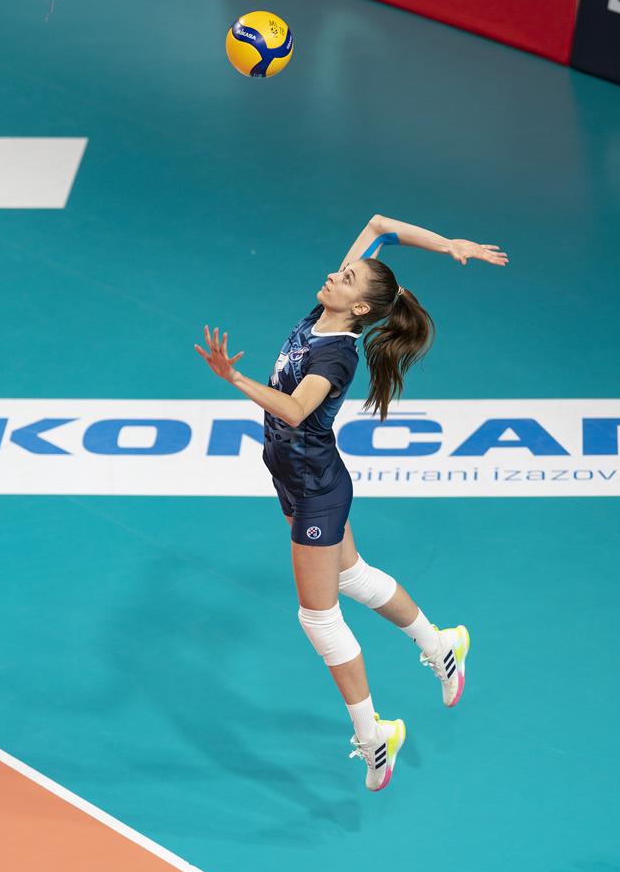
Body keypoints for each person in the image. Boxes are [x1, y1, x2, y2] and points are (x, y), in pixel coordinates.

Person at [195, 214, 508, 791]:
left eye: (346, 278)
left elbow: (295, 410)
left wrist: (232, 378)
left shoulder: (337, 355)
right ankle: (441, 643)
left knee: (317, 617)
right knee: (352, 575)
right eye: (342, 272)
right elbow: (379, 225)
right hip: (294, 475)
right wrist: (448, 245)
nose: (334, 275)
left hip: (315, 487)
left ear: (360, 307)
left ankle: (373, 734)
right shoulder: (326, 311)